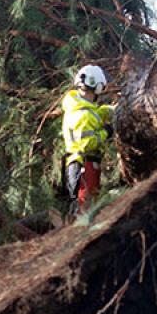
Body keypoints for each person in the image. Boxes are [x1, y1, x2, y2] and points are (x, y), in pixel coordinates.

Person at [61, 64, 115, 213]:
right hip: (85, 165)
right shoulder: (83, 114)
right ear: (98, 87)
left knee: (85, 209)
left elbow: (94, 115)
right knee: (85, 211)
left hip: (79, 164)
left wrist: (109, 110)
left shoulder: (79, 107)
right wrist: (106, 131)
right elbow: (88, 144)